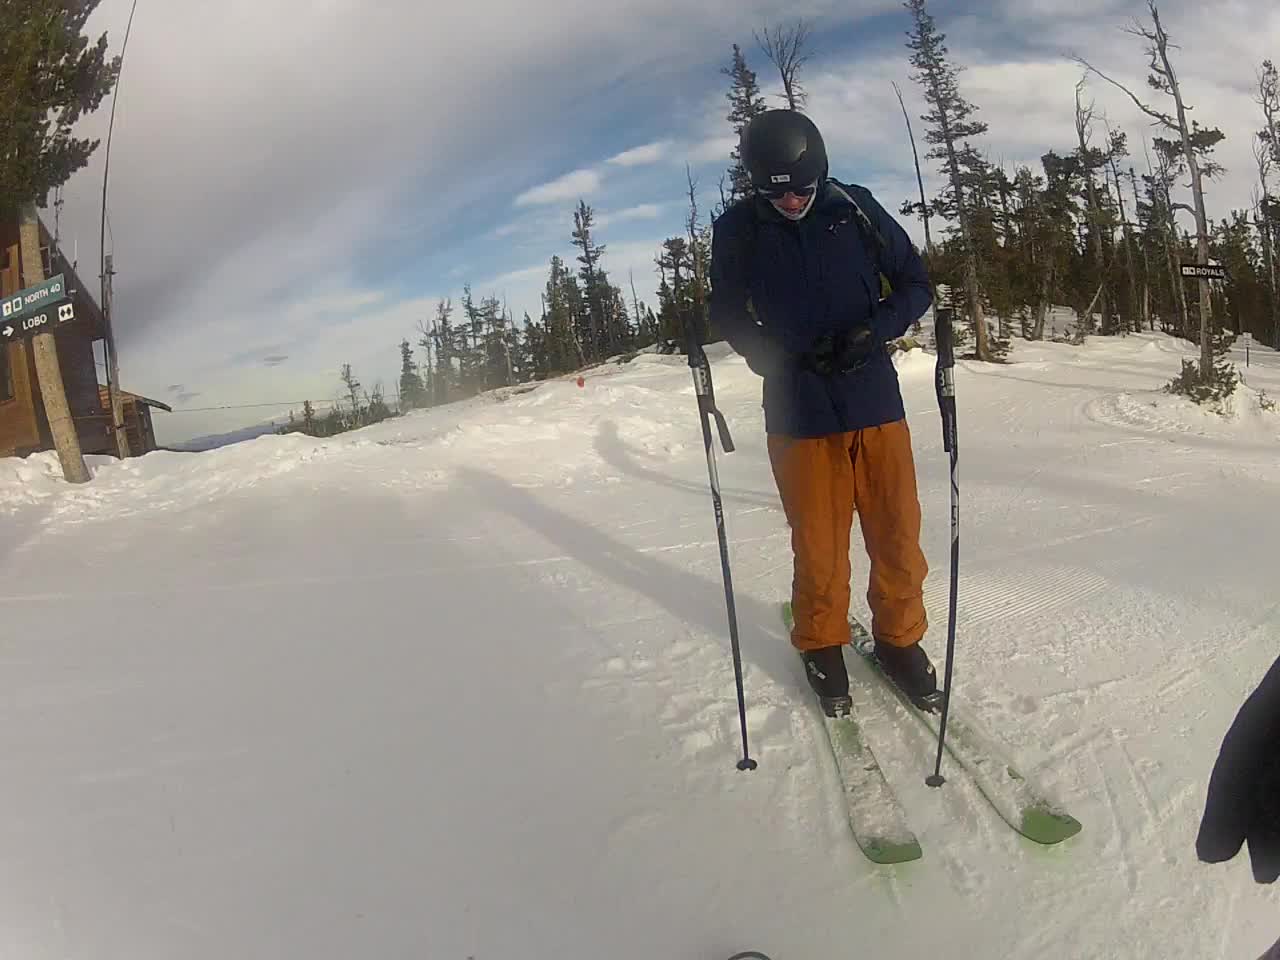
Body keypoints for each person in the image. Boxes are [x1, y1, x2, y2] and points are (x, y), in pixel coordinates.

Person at [708, 108, 936, 717]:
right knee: (819, 544)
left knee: (896, 534)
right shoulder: (737, 230)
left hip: (874, 401)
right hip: (797, 409)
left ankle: (899, 640)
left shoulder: (854, 208)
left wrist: (875, 331)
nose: (789, 204)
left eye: (802, 191)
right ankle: (821, 641)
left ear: (820, 173)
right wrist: (772, 358)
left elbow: (916, 284)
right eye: (773, 193)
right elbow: (727, 311)